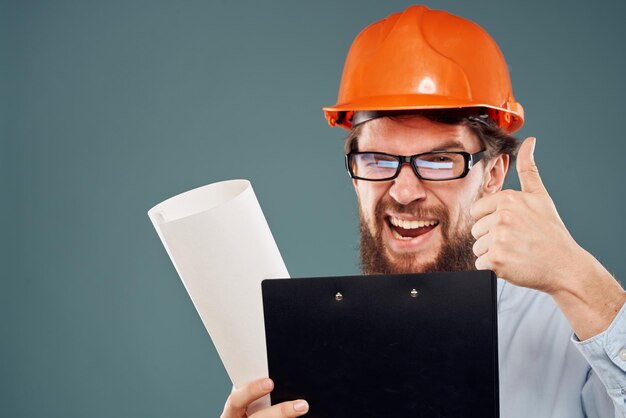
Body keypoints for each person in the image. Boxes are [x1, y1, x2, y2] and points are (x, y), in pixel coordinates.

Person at [220, 5, 626, 418]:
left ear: (493, 174)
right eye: (378, 160)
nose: (405, 190)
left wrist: (580, 279)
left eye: (438, 161)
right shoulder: (302, 352)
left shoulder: (571, 328)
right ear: (355, 173)